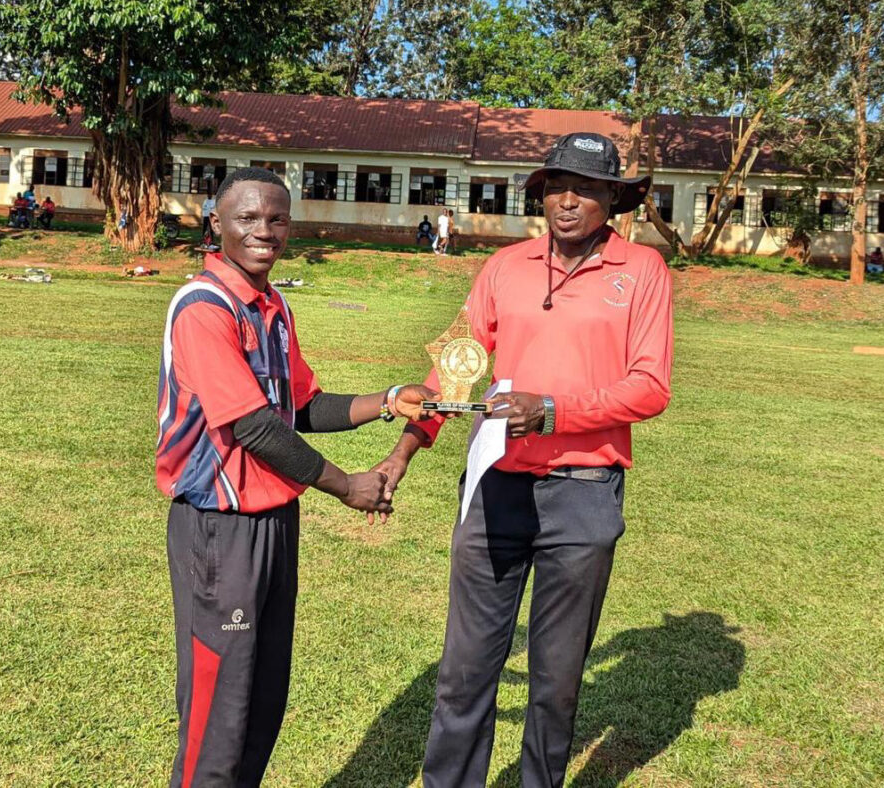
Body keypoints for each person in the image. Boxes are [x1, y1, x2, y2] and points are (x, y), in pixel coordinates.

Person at [373, 132, 673, 788]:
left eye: (586, 189)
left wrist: (554, 411)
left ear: (613, 200)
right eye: (557, 187)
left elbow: (650, 387)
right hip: (496, 488)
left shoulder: (643, 271)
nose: (568, 201)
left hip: (584, 491)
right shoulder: (504, 266)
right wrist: (404, 451)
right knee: (465, 670)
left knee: (555, 681)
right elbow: (457, 365)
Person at [156, 166, 438, 787]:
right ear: (216, 224)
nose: (265, 230)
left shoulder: (273, 307)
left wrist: (390, 400)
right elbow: (254, 427)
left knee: (261, 699)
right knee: (219, 710)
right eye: (248, 218)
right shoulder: (203, 308)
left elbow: (302, 407)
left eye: (277, 218)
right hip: (220, 528)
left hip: (276, 523)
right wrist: (347, 486)